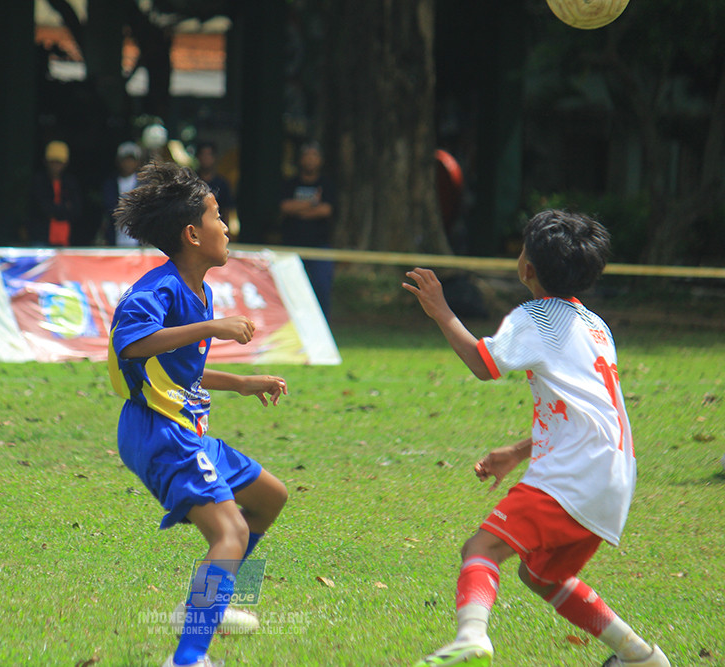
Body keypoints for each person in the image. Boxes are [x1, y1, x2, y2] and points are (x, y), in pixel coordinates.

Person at [402, 210, 669, 667]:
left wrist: (441, 311)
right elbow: (589, 408)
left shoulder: (536, 317)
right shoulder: (595, 325)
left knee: (481, 548)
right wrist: (520, 450)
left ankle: (472, 638)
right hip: (615, 474)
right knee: (543, 574)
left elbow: (484, 364)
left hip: (577, 473)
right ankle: (641, 657)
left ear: (527, 267)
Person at [107, 161, 289, 667]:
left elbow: (176, 372)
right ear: (192, 233)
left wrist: (240, 383)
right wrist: (213, 327)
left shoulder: (199, 290)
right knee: (229, 533)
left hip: (182, 427)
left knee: (270, 497)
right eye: (216, 216)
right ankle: (188, 658)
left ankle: (210, 604)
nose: (226, 226)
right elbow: (133, 346)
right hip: (158, 433)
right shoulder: (157, 290)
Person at [279, 141, 336, 318]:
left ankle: (321, 327)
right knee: (289, 290)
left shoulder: (326, 184)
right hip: (292, 245)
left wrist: (300, 210)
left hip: (319, 246)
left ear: (320, 160)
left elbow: (326, 210)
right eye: (307, 155)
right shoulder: (290, 183)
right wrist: (311, 204)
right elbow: (285, 207)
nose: (310, 160)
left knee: (321, 288)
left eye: (314, 155)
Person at [27, 140, 83, 247]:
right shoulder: (39, 181)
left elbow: (76, 210)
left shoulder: (70, 182)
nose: (56, 166)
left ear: (65, 163)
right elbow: (42, 208)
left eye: (59, 162)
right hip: (41, 238)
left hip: (65, 239)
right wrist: (64, 208)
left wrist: (54, 209)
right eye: (53, 162)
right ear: (46, 161)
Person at [100, 141, 142, 247]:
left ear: (137, 162)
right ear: (118, 161)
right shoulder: (110, 183)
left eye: (131, 159)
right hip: (115, 241)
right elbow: (110, 207)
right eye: (125, 159)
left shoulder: (144, 184)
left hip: (139, 243)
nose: (128, 163)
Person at [194, 141, 234, 231]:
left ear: (214, 158)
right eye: (203, 155)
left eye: (209, 155)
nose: (206, 158)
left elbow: (226, 210)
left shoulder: (222, 183)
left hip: (215, 229)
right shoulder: (191, 182)